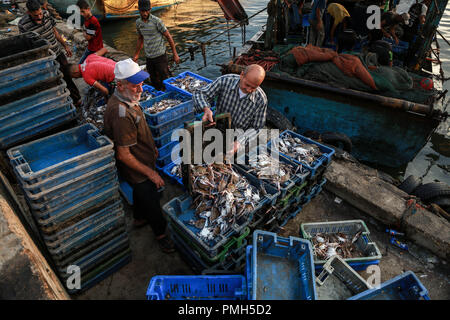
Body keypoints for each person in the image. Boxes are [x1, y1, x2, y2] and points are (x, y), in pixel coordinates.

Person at [103, 58, 175, 253]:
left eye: (142, 84)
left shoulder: (127, 99)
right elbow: (124, 155)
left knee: (139, 192)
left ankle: (139, 218)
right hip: (137, 167)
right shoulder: (121, 113)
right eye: (136, 86)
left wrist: (152, 148)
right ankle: (161, 234)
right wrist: (151, 174)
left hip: (143, 157)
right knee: (151, 198)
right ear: (120, 84)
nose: (141, 90)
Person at [193, 64, 267, 154]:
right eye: (247, 85)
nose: (248, 89)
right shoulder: (225, 81)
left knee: (234, 160)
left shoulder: (261, 99)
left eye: (253, 88)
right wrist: (206, 109)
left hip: (240, 135)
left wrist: (239, 143)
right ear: (242, 75)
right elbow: (200, 93)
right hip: (218, 127)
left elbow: (256, 127)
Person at [19, 0, 81, 106]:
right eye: (35, 15)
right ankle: (62, 101)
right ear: (28, 13)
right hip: (44, 58)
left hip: (57, 52)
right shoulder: (23, 25)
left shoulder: (47, 14)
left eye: (40, 13)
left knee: (67, 75)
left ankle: (76, 99)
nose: (39, 17)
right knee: (53, 80)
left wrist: (65, 45)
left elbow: (55, 32)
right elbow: (27, 45)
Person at [133, 0, 180, 91]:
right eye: (143, 11)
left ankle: (169, 93)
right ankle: (159, 94)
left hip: (160, 56)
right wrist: (136, 55)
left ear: (150, 9)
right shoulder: (138, 23)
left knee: (165, 78)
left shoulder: (157, 21)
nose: (145, 13)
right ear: (139, 10)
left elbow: (168, 36)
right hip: (149, 57)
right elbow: (140, 38)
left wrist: (175, 54)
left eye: (147, 10)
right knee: (154, 79)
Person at [76, 0, 104, 64]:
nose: (82, 14)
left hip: (95, 49)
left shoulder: (93, 21)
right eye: (80, 12)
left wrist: (83, 30)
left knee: (80, 65)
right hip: (91, 47)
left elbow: (88, 37)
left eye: (83, 11)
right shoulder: (87, 19)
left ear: (88, 9)